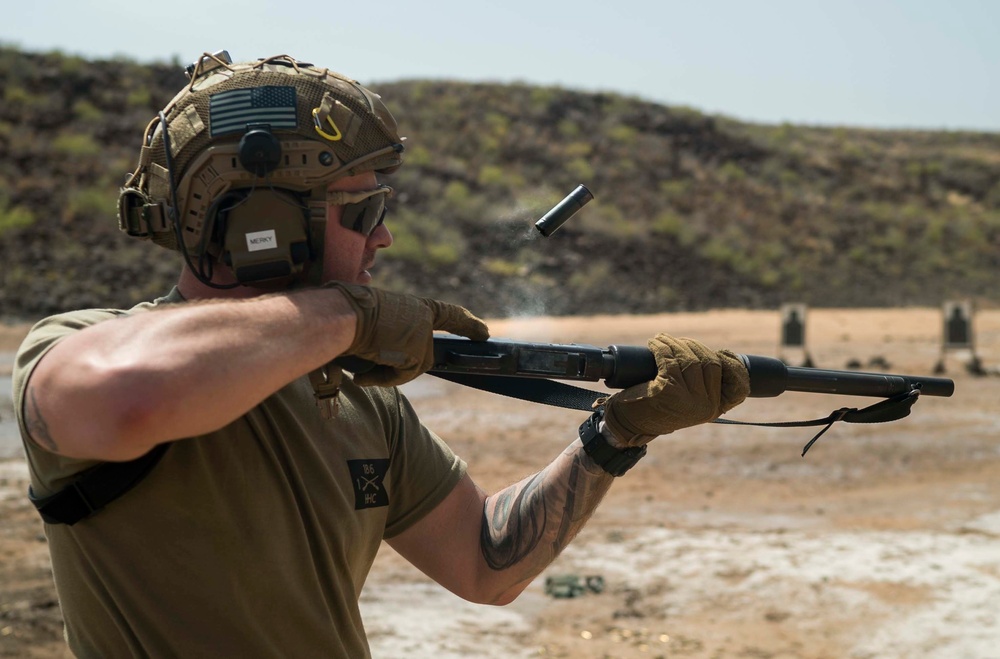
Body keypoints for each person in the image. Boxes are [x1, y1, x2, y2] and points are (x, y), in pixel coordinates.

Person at [12, 51, 750, 658]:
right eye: (362, 211)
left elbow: (486, 560)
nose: (382, 238)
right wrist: (347, 314)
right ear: (261, 222)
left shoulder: (357, 392)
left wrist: (615, 434)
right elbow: (128, 395)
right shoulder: (78, 344)